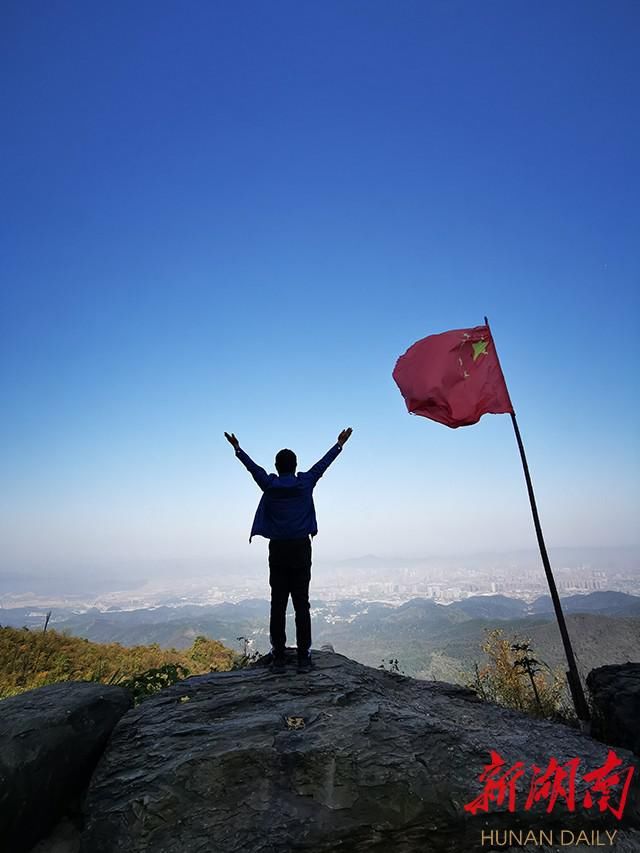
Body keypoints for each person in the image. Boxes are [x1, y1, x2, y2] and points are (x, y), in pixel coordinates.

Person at [224, 428, 352, 673]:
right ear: (295, 466)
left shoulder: (269, 484)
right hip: (302, 549)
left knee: (278, 603)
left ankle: (279, 655)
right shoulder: (305, 482)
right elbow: (322, 466)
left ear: (277, 466)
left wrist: (238, 449)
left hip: (279, 550)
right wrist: (338, 444)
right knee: (302, 604)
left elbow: (253, 468)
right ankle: (304, 656)